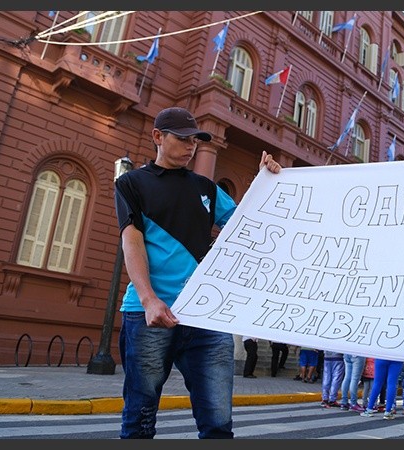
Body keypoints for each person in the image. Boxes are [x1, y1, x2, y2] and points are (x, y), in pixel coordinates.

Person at [115, 106, 282, 439]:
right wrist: (149, 300)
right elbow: (131, 243)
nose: (191, 146)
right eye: (183, 139)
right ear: (158, 137)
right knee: (140, 416)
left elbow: (248, 226)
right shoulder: (131, 183)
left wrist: (267, 183)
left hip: (205, 316)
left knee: (218, 422)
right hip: (148, 314)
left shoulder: (206, 188)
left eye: (195, 140)